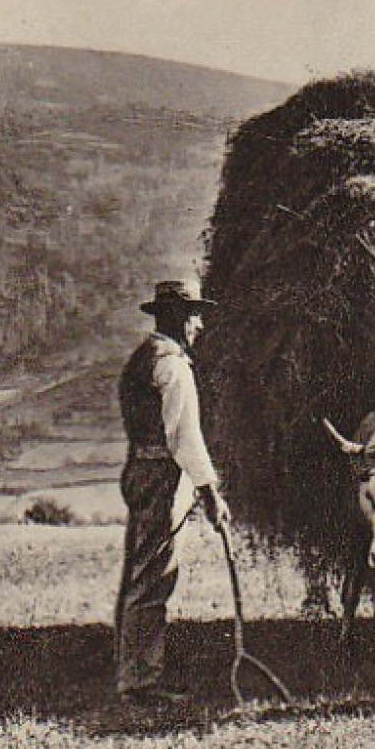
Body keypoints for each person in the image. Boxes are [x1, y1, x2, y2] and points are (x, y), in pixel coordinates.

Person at [114, 280, 231, 706]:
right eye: (195, 315)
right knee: (154, 576)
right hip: (163, 476)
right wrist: (212, 493)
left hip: (141, 470)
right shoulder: (173, 366)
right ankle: (141, 682)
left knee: (146, 572)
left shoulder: (142, 358)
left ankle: (138, 675)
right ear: (181, 318)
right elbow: (185, 438)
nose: (199, 325)